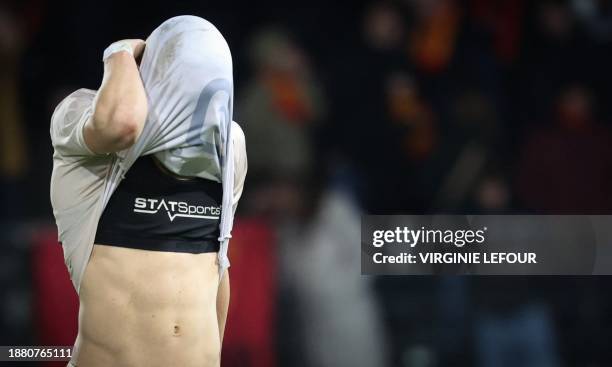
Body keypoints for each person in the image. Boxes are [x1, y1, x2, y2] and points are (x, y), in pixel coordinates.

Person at [49, 16, 247, 367]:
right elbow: (121, 124)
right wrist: (121, 52)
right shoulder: (84, 127)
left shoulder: (228, 148)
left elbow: (217, 265)